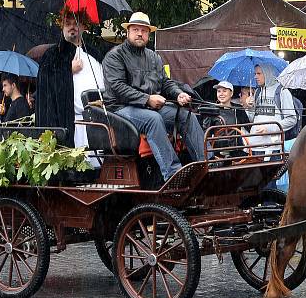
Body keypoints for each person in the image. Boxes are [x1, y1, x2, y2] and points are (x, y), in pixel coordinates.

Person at [102, 12, 205, 181]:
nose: (140, 33)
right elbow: (118, 87)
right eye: (135, 29)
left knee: (186, 115)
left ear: (148, 34)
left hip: (148, 107)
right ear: (128, 32)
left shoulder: (154, 57)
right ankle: (173, 174)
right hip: (120, 109)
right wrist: (147, 99)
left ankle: (205, 164)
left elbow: (165, 83)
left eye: (144, 30)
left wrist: (179, 94)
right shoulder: (115, 56)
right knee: (153, 119)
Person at [36, 10, 102, 147]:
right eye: (67, 23)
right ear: (62, 26)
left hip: (94, 121)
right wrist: (68, 69)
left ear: (84, 27)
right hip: (66, 122)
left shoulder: (94, 54)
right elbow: (44, 83)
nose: (72, 27)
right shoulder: (53, 54)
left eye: (76, 23)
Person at [243, 64, 297, 170]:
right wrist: (249, 107)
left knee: (268, 182)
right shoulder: (257, 92)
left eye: (259, 73)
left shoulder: (282, 91)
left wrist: (269, 129)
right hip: (253, 147)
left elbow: (291, 119)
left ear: (268, 73)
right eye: (255, 74)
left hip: (272, 149)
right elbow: (251, 120)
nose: (255, 77)